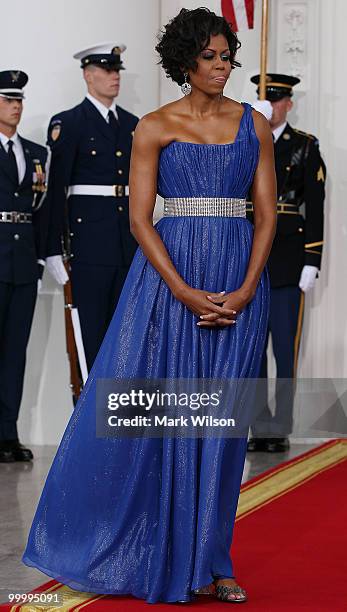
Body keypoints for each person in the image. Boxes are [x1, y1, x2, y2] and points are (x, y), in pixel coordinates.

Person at [22, 8, 276, 604]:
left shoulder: (253, 125)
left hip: (242, 278)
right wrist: (186, 291)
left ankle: (215, 560)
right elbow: (139, 220)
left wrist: (243, 290)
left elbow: (266, 216)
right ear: (186, 61)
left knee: (224, 428)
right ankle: (162, 550)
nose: (222, 66)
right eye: (211, 56)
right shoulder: (154, 126)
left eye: (227, 56)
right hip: (170, 284)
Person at [45, 43, 139, 370]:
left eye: (117, 71)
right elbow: (56, 190)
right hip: (89, 245)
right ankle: (89, 415)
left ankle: (121, 415)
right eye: (107, 71)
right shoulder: (69, 123)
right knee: (91, 335)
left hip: (127, 243)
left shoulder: (131, 124)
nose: (115, 77)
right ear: (88, 75)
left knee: (126, 336)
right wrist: (53, 248)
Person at [247, 74, 326, 452]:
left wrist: (313, 257)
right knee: (252, 348)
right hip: (249, 257)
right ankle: (258, 425)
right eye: (266, 99)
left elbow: (316, 205)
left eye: (278, 100)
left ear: (289, 104)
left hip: (288, 260)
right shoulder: (246, 139)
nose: (272, 106)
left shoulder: (305, 146)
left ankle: (280, 426)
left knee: (284, 349)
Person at [0, 70, 48, 462]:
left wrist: (41, 256)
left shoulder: (36, 153)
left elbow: (41, 211)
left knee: (16, 352)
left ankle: (7, 434)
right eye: (7, 100)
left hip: (22, 263)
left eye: (19, 101)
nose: (15, 107)